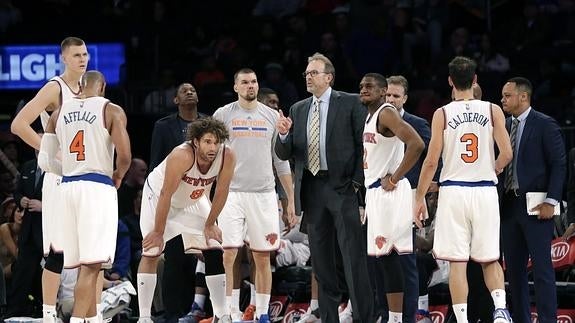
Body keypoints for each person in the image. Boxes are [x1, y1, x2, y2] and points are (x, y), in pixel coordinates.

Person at [275, 53, 374, 322]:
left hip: (342, 187)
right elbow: (285, 153)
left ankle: (364, 317)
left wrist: (356, 183)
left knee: (353, 258)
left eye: (314, 73)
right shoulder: (298, 109)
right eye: (306, 73)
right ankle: (329, 317)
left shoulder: (351, 102)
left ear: (328, 77)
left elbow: (361, 145)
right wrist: (283, 134)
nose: (308, 76)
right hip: (313, 190)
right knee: (321, 263)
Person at [413, 56, 513, 323]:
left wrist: (419, 196)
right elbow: (507, 153)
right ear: (475, 80)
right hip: (484, 191)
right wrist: (494, 168)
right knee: (490, 258)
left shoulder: (442, 113)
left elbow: (432, 160)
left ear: (450, 81)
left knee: (457, 263)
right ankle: (501, 310)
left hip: (454, 192)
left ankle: (462, 318)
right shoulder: (493, 110)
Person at [39, 70, 132, 322]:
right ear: (102, 87)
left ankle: (90, 319)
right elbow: (124, 157)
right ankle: (79, 320)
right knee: (92, 266)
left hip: (66, 188)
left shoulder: (58, 113)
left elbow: (45, 160)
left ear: (80, 86)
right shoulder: (111, 110)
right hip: (96, 187)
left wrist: (70, 171)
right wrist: (119, 175)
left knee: (75, 263)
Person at [10, 36, 88, 323]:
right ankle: (47, 314)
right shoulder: (55, 88)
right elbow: (18, 124)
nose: (82, 59)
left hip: (84, 178)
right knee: (58, 252)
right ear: (64, 58)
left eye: (85, 54)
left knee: (87, 252)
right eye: (76, 54)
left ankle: (83, 313)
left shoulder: (87, 90)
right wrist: (50, 153)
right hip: (59, 179)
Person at [213, 68, 296, 323]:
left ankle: (261, 313)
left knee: (262, 255)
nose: (251, 86)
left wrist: (290, 200)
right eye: (245, 82)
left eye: (254, 82)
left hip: (263, 194)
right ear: (236, 86)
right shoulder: (223, 115)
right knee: (229, 253)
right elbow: (213, 158)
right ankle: (230, 312)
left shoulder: (271, 116)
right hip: (232, 193)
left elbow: (281, 163)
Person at [136, 117, 236, 323]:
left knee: (214, 246)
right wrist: (158, 231)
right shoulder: (181, 155)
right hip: (159, 198)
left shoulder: (227, 156)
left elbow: (222, 191)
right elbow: (165, 194)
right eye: (208, 141)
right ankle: (144, 317)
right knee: (151, 250)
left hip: (194, 198)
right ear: (196, 142)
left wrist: (210, 224)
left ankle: (222, 313)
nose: (213, 147)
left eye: (217, 142)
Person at [499, 77, 566, 323]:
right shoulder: (503, 125)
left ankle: (548, 320)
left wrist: (552, 201)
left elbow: (559, 165)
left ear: (523, 97)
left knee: (542, 270)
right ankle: (521, 320)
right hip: (508, 205)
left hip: (537, 205)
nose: (502, 100)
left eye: (507, 95)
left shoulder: (545, 124)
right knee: (514, 273)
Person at [360, 72, 424, 323]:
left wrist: (396, 177)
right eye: (361, 86)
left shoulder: (386, 113)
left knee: (400, 260)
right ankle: (394, 318)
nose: (363, 89)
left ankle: (407, 318)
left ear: (382, 91)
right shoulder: (370, 116)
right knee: (385, 261)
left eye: (369, 86)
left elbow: (417, 143)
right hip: (375, 193)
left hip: (390, 193)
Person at [149, 82, 208, 322]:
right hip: (173, 199)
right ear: (176, 101)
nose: (190, 92)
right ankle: (173, 314)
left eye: (193, 89)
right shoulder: (163, 127)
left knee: (201, 255)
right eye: (184, 91)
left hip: (200, 195)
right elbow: (155, 166)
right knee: (174, 259)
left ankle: (198, 310)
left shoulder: (209, 123)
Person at [383, 75, 430, 323]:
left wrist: (426, 188)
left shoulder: (417, 123)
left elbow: (435, 156)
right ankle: (387, 314)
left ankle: (409, 316)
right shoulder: (374, 121)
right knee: (381, 258)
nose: (390, 99)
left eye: (395, 96)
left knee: (406, 260)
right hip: (380, 198)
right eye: (387, 95)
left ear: (405, 98)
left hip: (408, 196)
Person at [6, 152, 45, 317]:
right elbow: (17, 191)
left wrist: (45, 206)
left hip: (48, 231)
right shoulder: (28, 166)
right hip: (28, 230)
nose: (39, 150)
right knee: (22, 272)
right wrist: (20, 199)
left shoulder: (59, 168)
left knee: (49, 272)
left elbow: (66, 200)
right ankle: (14, 313)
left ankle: (47, 310)